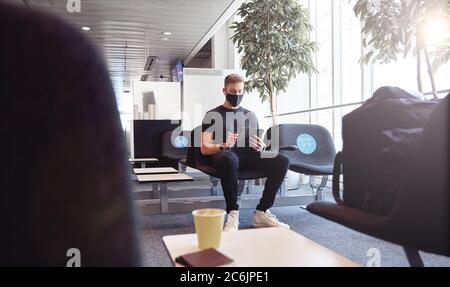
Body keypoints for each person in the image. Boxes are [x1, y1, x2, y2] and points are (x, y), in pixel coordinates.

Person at [200, 74, 290, 232]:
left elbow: (256, 142)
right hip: (225, 155)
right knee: (229, 158)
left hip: (248, 156)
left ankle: (262, 212)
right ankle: (233, 213)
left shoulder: (251, 115)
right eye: (233, 91)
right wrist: (223, 145)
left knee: (282, 160)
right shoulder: (212, 115)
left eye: (240, 91)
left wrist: (260, 146)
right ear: (224, 90)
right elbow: (205, 148)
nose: (237, 95)